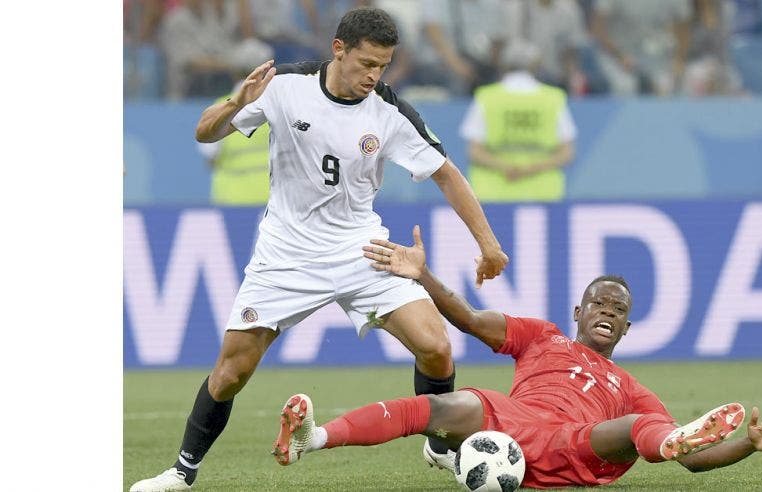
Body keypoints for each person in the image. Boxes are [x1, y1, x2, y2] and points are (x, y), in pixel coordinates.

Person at [129, 7, 509, 492]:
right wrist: (234, 104)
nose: (374, 76)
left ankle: (439, 446)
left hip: (360, 247)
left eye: (383, 66)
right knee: (230, 373)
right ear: (338, 49)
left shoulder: (388, 113)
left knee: (435, 347)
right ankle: (182, 474)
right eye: (366, 63)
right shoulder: (285, 85)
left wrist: (488, 245)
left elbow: (445, 172)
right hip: (285, 252)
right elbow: (204, 131)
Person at [271, 225, 762, 488]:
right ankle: (311, 439)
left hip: (577, 443)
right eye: (599, 302)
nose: (607, 311)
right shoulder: (542, 337)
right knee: (435, 408)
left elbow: (694, 461)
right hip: (510, 424)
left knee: (643, 427)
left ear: (627, 326)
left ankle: (673, 430)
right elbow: (472, 320)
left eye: (618, 309)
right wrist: (422, 276)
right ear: (579, 310)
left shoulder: (627, 384)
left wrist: (747, 446)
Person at [459, 39, 577, 202]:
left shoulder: (487, 97)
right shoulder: (553, 98)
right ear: (536, 65)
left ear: (503, 66)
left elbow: (474, 151)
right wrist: (531, 169)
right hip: (543, 192)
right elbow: (566, 152)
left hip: (492, 192)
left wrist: (506, 168)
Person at [198, 80, 271, 205]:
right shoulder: (275, 103)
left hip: (232, 198)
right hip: (270, 197)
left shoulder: (221, 105)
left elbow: (210, 156)